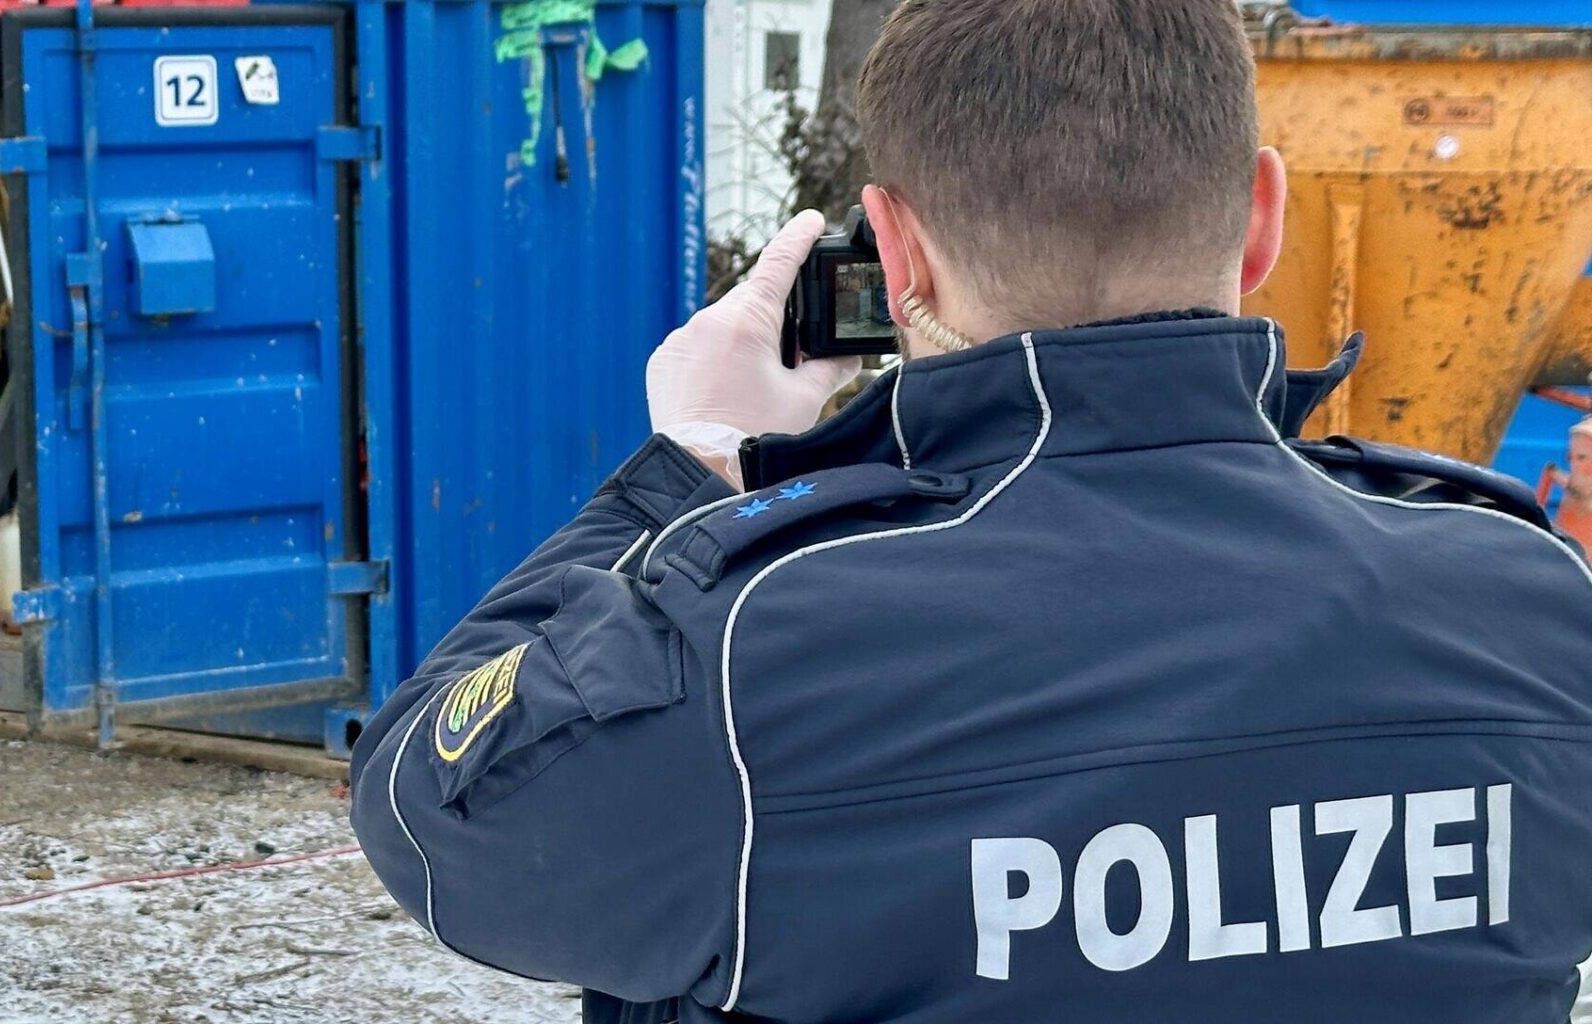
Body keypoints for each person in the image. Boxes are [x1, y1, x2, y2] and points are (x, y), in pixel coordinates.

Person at [351, 0, 1592, 1019]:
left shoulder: (751, 656)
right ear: (1263, 215)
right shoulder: (1532, 606)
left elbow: (424, 802)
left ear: (894, 260)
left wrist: (684, 464)